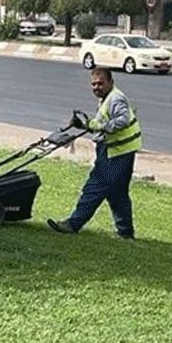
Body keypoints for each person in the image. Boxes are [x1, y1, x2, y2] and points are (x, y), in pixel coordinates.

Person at [47, 67, 142, 239]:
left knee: (94, 187)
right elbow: (100, 124)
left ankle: (73, 224)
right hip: (122, 151)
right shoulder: (107, 98)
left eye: (101, 83)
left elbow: (122, 120)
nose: (97, 87)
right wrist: (84, 125)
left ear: (110, 83)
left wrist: (96, 126)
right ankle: (126, 233)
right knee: (117, 193)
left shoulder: (116, 98)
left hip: (116, 152)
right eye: (94, 84)